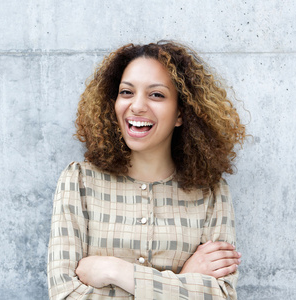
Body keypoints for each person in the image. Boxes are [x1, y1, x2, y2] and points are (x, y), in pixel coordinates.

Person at [47, 41, 246, 299]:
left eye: (156, 95)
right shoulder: (79, 181)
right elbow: (64, 294)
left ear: (180, 114)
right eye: (127, 92)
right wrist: (184, 281)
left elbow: (220, 295)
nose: (137, 106)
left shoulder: (211, 192)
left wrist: (115, 270)